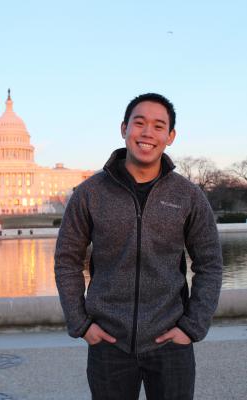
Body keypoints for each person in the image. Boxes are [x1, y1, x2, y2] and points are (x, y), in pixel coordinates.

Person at [54, 93, 223, 400]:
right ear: (123, 129)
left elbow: (210, 264)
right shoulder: (90, 193)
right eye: (139, 123)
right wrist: (81, 323)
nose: (148, 133)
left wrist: (191, 327)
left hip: (171, 343)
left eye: (159, 126)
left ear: (170, 137)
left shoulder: (188, 195)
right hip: (108, 343)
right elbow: (67, 260)